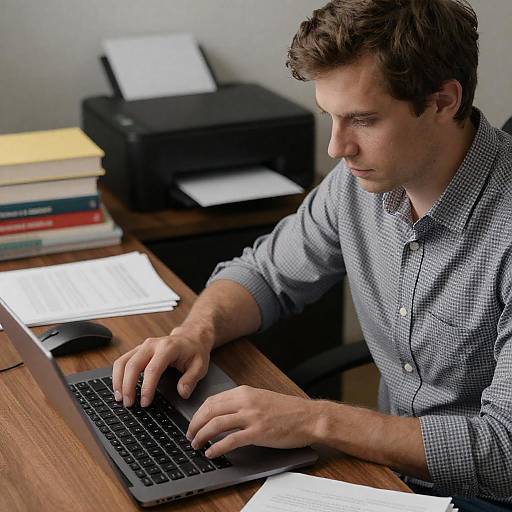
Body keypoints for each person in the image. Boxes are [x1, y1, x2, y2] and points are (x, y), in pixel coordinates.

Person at [113, 0, 512, 509]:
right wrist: (197, 332)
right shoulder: (357, 185)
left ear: (443, 101)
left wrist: (314, 420)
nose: (337, 148)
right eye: (330, 117)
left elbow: (505, 456)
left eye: (363, 120)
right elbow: (264, 273)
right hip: (387, 478)